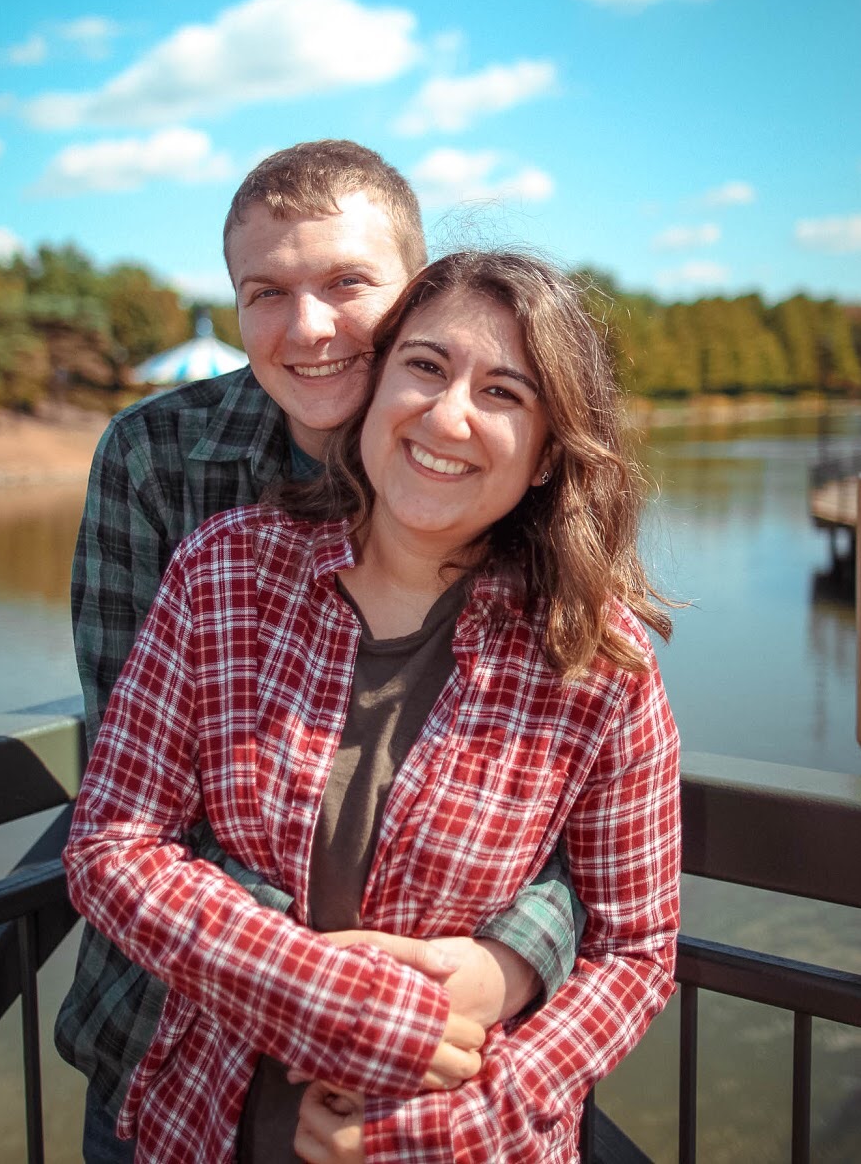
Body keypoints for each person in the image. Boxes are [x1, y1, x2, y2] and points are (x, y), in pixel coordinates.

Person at [64, 250, 681, 1163]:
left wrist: (475, 1115)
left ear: (550, 453)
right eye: (424, 367)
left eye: (503, 393)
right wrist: (329, 999)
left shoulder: (598, 660)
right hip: (201, 1126)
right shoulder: (224, 572)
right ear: (376, 385)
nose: (447, 415)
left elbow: (635, 953)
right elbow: (112, 846)